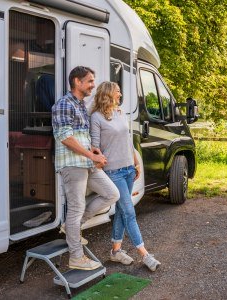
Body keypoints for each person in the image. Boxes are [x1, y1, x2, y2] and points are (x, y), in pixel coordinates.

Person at [52, 66, 120, 271]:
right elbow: (65, 137)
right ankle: (76, 257)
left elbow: (82, 135)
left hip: (86, 162)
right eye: (90, 81)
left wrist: (94, 152)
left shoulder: (81, 104)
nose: (93, 85)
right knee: (75, 208)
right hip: (73, 164)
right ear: (76, 82)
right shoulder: (64, 104)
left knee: (111, 194)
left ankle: (71, 228)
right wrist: (91, 155)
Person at [90, 81, 161, 272]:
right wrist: (100, 162)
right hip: (113, 172)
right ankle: (145, 254)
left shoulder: (120, 113)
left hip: (129, 169)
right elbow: (95, 147)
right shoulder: (96, 117)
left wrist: (135, 162)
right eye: (118, 92)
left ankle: (115, 251)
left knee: (122, 211)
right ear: (108, 94)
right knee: (129, 212)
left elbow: (128, 141)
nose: (120, 95)